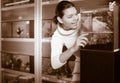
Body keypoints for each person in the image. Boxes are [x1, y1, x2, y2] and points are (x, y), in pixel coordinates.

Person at [51, 1, 88, 83]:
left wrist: (110, 10)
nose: (75, 18)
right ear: (60, 19)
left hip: (98, 57)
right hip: (81, 60)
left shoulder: (82, 17)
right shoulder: (57, 36)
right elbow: (54, 64)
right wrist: (73, 48)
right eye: (70, 16)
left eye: (75, 14)